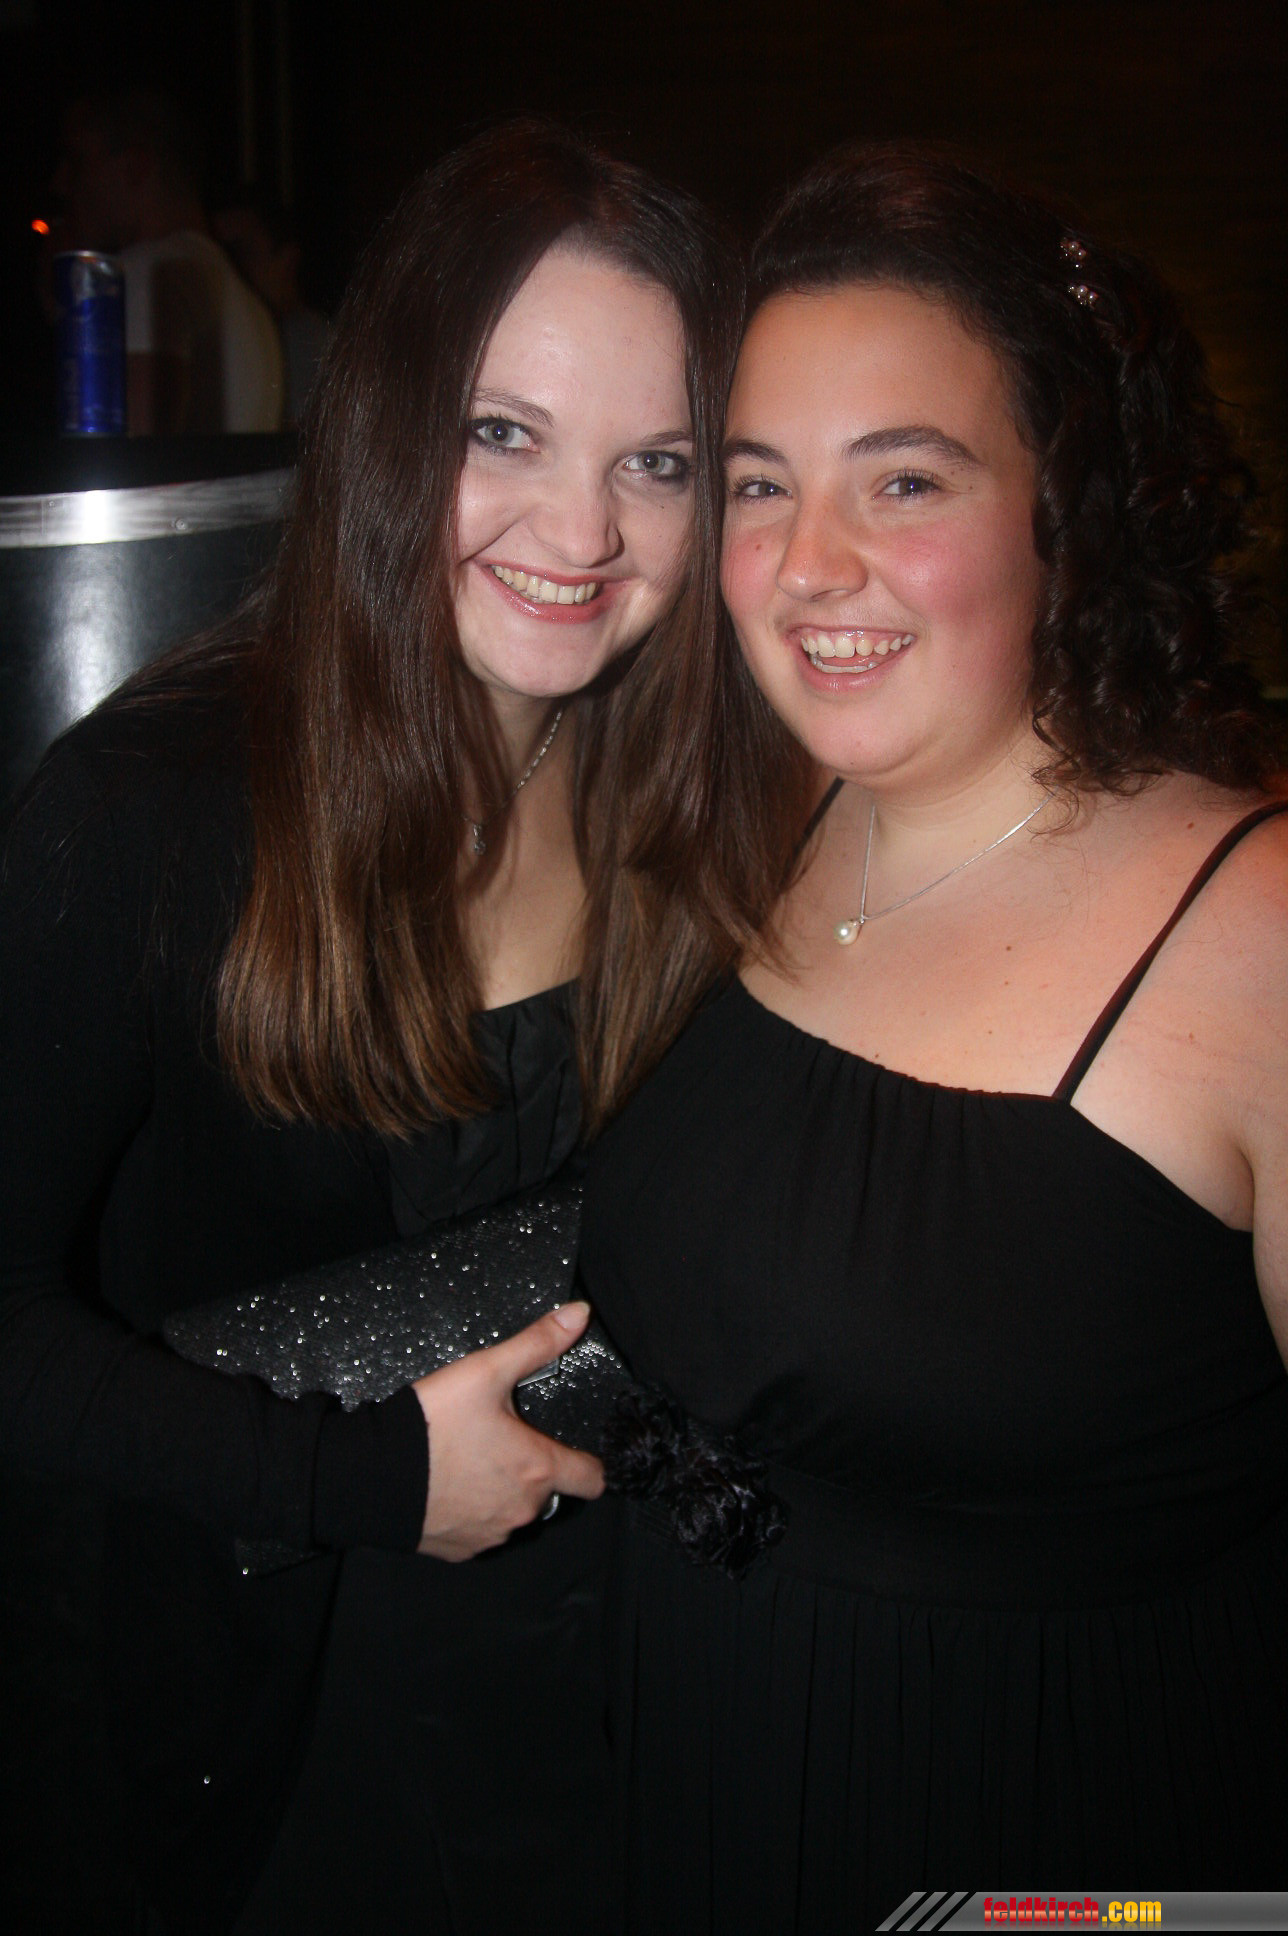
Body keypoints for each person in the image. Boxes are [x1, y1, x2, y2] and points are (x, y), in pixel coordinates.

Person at [0, 120, 733, 1931]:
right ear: (385, 424)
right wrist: (358, 1478)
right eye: (504, 433)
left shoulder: (698, 804)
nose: (582, 531)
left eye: (654, 461)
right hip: (270, 1714)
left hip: (615, 1678)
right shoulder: (153, 813)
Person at [575, 145, 1288, 1929]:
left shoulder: (1254, 933)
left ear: (1068, 507)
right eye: (760, 484)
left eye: (903, 480)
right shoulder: (764, 820)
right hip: (690, 1799)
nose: (808, 567)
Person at [52, 87, 283, 433]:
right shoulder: (247, 300)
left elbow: (130, 453)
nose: (60, 183)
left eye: (78, 162)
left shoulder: (143, 275)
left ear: (134, 167)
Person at [212, 193, 332, 427]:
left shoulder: (312, 341)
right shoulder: (230, 336)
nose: (231, 270)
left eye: (243, 253)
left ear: (288, 260)